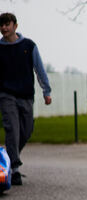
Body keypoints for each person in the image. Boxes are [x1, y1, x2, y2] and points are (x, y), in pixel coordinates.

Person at [0, 12, 52, 185]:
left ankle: (8, 157)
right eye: (1, 25)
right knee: (12, 129)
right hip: (6, 95)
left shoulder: (28, 46)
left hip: (26, 96)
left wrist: (46, 91)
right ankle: (14, 169)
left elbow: (39, 68)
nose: (4, 28)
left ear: (15, 25)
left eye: (7, 24)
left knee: (27, 130)